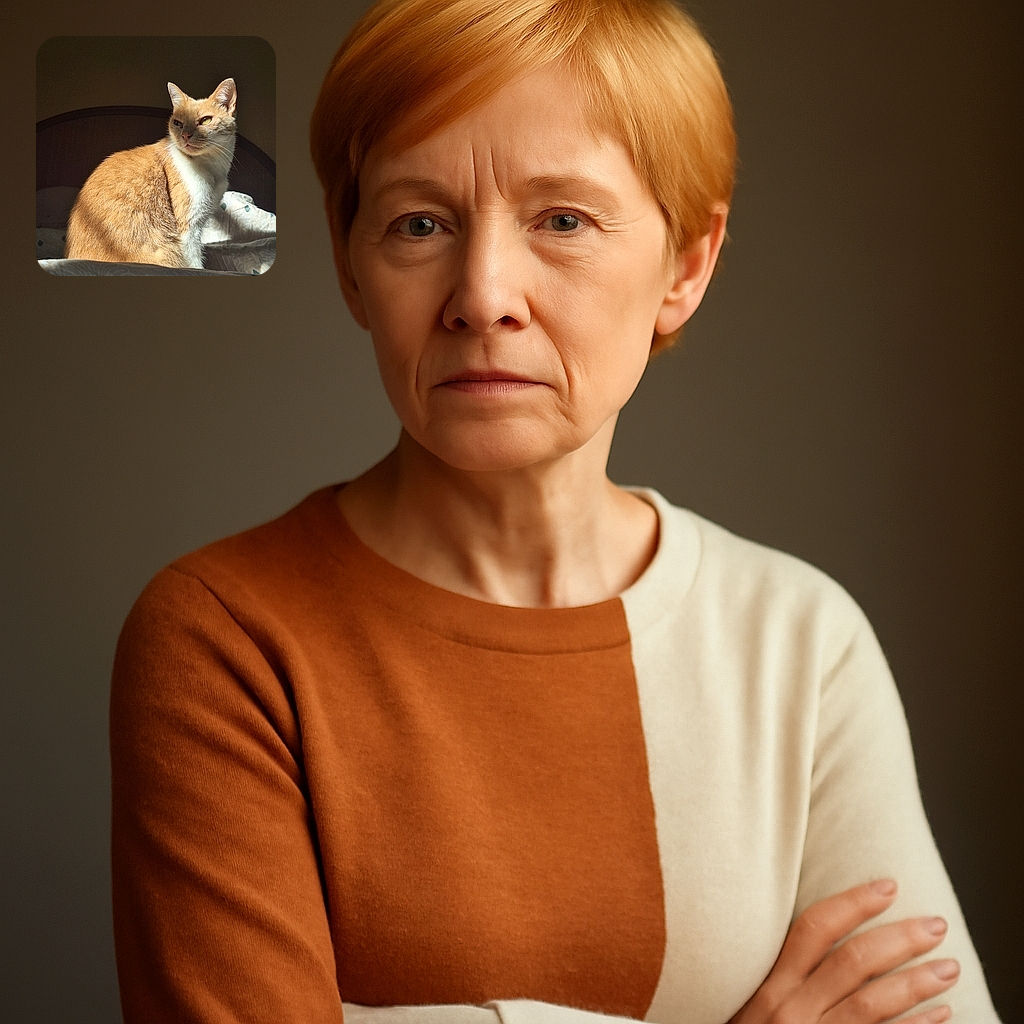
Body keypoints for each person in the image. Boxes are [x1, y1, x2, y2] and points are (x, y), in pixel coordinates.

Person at [109, 0, 1002, 1021]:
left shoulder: (799, 644)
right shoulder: (224, 636)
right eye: (419, 223)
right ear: (351, 260)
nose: (482, 294)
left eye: (562, 220)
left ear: (686, 264)